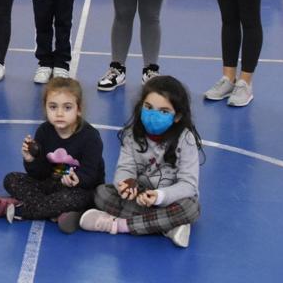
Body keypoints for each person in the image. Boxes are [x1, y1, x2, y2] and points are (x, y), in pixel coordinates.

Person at [79, 75, 202, 248]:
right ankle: (166, 227)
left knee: (191, 208)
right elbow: (125, 169)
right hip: (139, 197)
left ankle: (118, 225)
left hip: (170, 199)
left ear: (177, 116)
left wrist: (160, 197)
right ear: (141, 106)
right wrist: (125, 186)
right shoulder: (132, 134)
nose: (154, 115)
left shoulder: (185, 139)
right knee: (101, 193)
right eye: (149, 107)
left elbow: (189, 185)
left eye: (164, 111)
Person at [0, 77, 104, 233]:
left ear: (78, 109)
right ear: (45, 108)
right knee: (11, 179)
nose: (59, 113)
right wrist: (31, 160)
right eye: (53, 107)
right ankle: (55, 211)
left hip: (81, 190)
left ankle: (14, 209)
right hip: (51, 184)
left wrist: (77, 180)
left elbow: (92, 175)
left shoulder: (91, 137)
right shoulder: (44, 131)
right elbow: (40, 174)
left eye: (67, 108)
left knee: (70, 199)